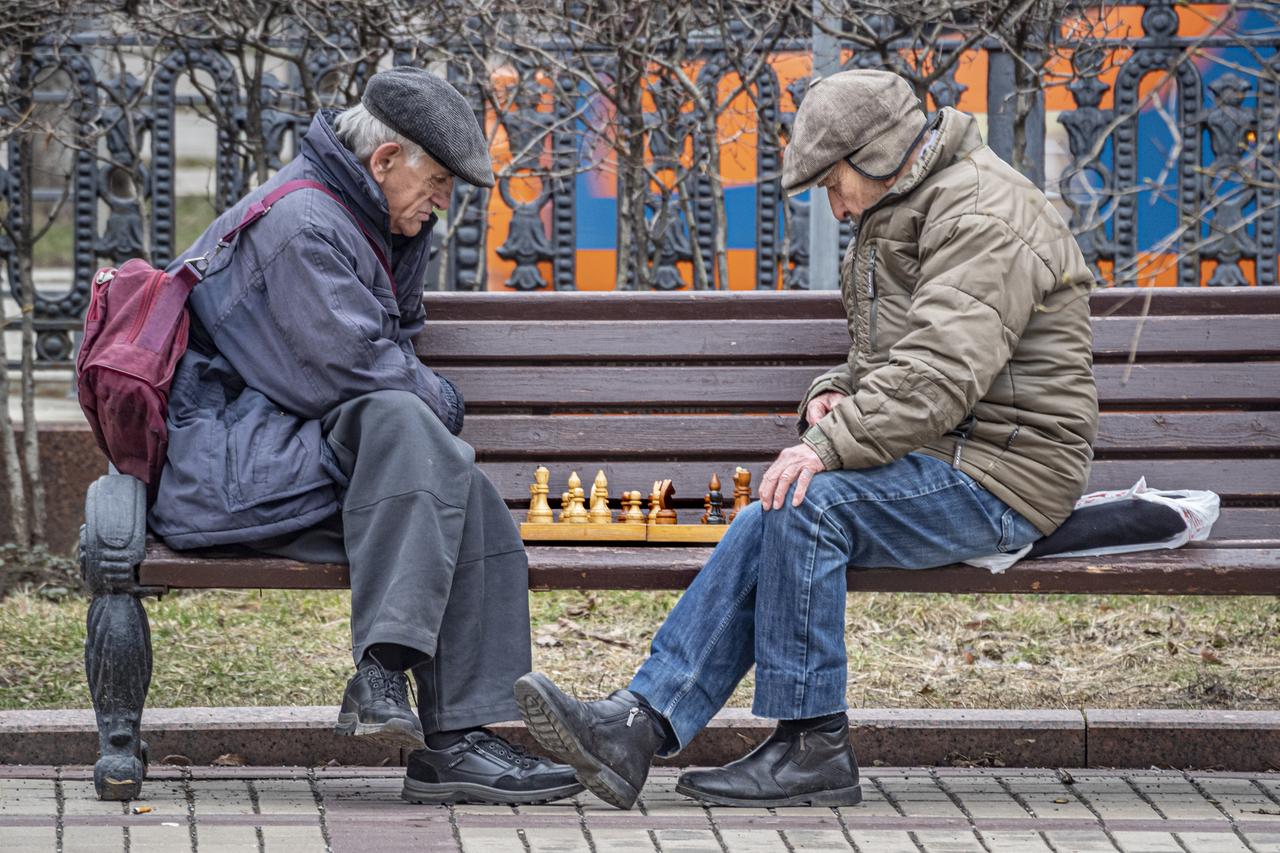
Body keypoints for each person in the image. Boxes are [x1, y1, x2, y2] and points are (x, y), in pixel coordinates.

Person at [513, 68, 1098, 810]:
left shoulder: (983, 212)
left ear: (881, 153)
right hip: (951, 448)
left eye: (833, 180)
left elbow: (942, 371)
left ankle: (814, 743)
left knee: (808, 501)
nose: (833, 201)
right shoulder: (914, 205)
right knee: (780, 504)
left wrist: (828, 447)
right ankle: (638, 724)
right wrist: (831, 395)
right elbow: (895, 361)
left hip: (1007, 471)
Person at [150, 67, 581, 805]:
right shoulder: (303, 229)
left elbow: (376, 359)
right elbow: (357, 375)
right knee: (410, 421)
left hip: (302, 454)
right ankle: (382, 669)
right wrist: (444, 399)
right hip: (234, 468)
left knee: (468, 493)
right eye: (438, 181)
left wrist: (407, 241)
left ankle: (457, 741)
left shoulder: (358, 216)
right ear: (384, 162)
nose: (443, 203)